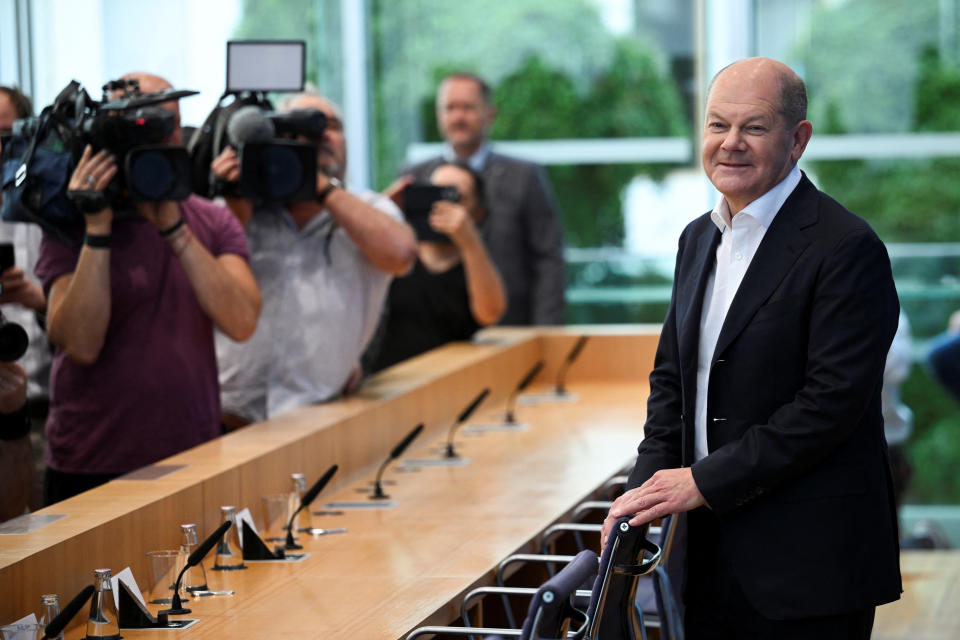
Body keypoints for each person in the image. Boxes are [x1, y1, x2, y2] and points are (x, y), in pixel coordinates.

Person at [602, 57, 901, 637]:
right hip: (708, 555)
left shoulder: (847, 248)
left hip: (807, 563)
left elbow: (828, 408)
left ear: (798, 140)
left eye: (754, 128)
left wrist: (701, 481)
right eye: (717, 125)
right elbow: (672, 384)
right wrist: (637, 503)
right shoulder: (697, 238)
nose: (730, 143)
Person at [34, 72, 261, 504]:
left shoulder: (211, 221)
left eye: (166, 121)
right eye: (136, 122)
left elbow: (243, 321)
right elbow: (80, 345)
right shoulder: (67, 221)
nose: (153, 134)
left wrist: (175, 228)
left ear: (181, 130)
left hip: (192, 454)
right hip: (90, 461)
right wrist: (96, 228)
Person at [212, 91, 417, 427]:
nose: (319, 135)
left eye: (330, 126)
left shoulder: (370, 209)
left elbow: (401, 255)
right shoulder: (240, 207)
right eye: (298, 128)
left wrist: (316, 183)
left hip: (316, 420)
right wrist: (236, 207)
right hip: (226, 420)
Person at [402, 72, 565, 326]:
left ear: (490, 113)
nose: (458, 117)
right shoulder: (413, 177)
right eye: (450, 108)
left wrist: (547, 332)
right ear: (438, 114)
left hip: (510, 323)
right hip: (434, 327)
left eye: (468, 108)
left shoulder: (524, 176)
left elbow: (548, 260)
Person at [369, 161, 506, 372]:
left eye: (454, 197)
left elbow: (490, 313)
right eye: (434, 193)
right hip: (390, 380)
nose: (442, 205)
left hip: (451, 383)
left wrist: (470, 241)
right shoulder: (399, 254)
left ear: (477, 212)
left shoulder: (476, 264)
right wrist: (382, 211)